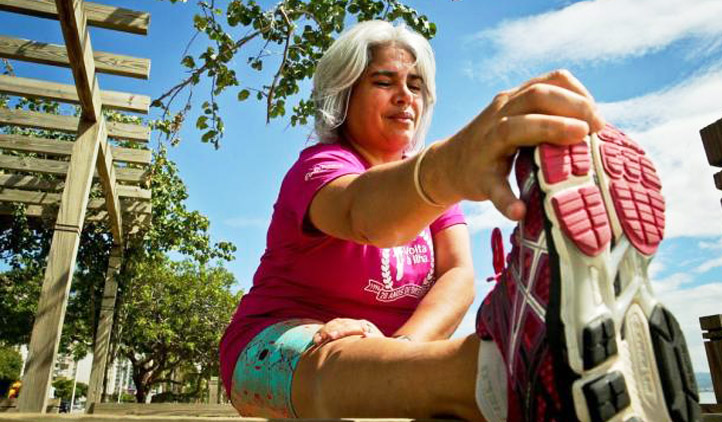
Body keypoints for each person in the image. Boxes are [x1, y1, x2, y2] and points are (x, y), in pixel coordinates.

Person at [220, 20, 700, 422]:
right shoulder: (321, 167)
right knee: (332, 357)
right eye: (384, 82)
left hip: (396, 357)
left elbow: (457, 275)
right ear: (344, 92)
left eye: (415, 85)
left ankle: (534, 363)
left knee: (410, 380)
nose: (405, 96)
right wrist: (448, 166)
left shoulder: (436, 202)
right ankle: (505, 371)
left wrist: (399, 344)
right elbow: (362, 214)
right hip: (272, 344)